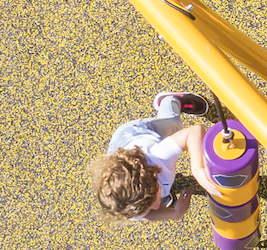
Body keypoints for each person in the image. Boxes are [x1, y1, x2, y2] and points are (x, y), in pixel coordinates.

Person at [86, 91, 212, 222]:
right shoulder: (127, 206)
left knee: (175, 126)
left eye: (152, 202)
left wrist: (198, 168)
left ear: (153, 177)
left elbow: (194, 132)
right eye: (151, 204)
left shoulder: (159, 155)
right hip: (122, 153)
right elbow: (145, 216)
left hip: (136, 132)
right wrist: (175, 213)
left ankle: (170, 101)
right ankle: (160, 193)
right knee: (155, 199)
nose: (157, 207)